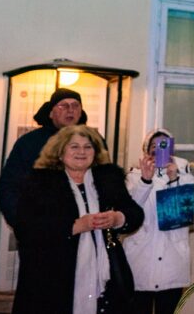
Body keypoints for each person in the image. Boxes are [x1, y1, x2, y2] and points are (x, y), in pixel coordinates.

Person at [12, 125, 145, 314]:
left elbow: (135, 213)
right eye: (74, 146)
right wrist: (74, 226)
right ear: (60, 152)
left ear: (96, 152)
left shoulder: (108, 179)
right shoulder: (39, 183)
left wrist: (117, 218)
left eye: (88, 147)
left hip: (106, 279)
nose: (81, 152)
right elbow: (25, 229)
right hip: (51, 277)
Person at [122, 128, 194, 314]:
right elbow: (130, 213)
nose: (158, 151)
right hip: (140, 261)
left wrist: (174, 179)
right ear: (145, 150)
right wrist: (145, 180)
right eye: (153, 146)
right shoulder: (132, 177)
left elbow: (186, 212)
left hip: (172, 263)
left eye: (164, 146)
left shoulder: (186, 176)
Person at [0, 88, 87, 227]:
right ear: (51, 112)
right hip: (41, 230)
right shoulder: (30, 142)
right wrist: (25, 223)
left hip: (84, 230)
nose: (70, 110)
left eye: (75, 105)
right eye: (63, 105)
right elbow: (7, 188)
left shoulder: (92, 142)